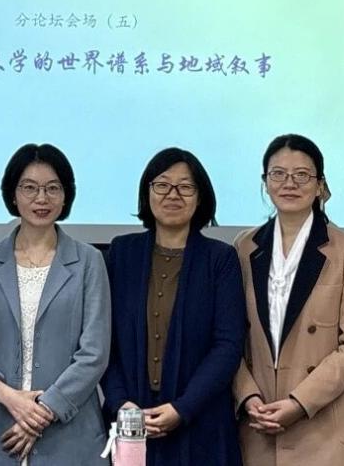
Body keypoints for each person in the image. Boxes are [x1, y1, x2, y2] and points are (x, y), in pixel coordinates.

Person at [0, 143, 110, 465]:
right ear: (12, 194)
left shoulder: (89, 261)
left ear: (66, 196)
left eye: (52, 188)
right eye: (29, 188)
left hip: (70, 434)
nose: (41, 198)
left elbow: (94, 353)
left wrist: (44, 410)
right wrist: (9, 398)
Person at [102, 147, 246, 466]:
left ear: (200, 197)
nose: (173, 194)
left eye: (185, 187)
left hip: (201, 422)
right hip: (131, 422)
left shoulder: (220, 259)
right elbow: (104, 340)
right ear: (147, 192)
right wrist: (120, 402)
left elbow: (228, 345)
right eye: (163, 185)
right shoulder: (122, 253)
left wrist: (183, 408)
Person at [234, 134, 344, 466]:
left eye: (302, 175)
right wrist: (247, 396)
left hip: (325, 429)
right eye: (278, 174)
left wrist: (299, 402)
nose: (289, 183)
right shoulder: (244, 246)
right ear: (265, 182)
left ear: (320, 185)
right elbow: (231, 338)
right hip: (259, 425)